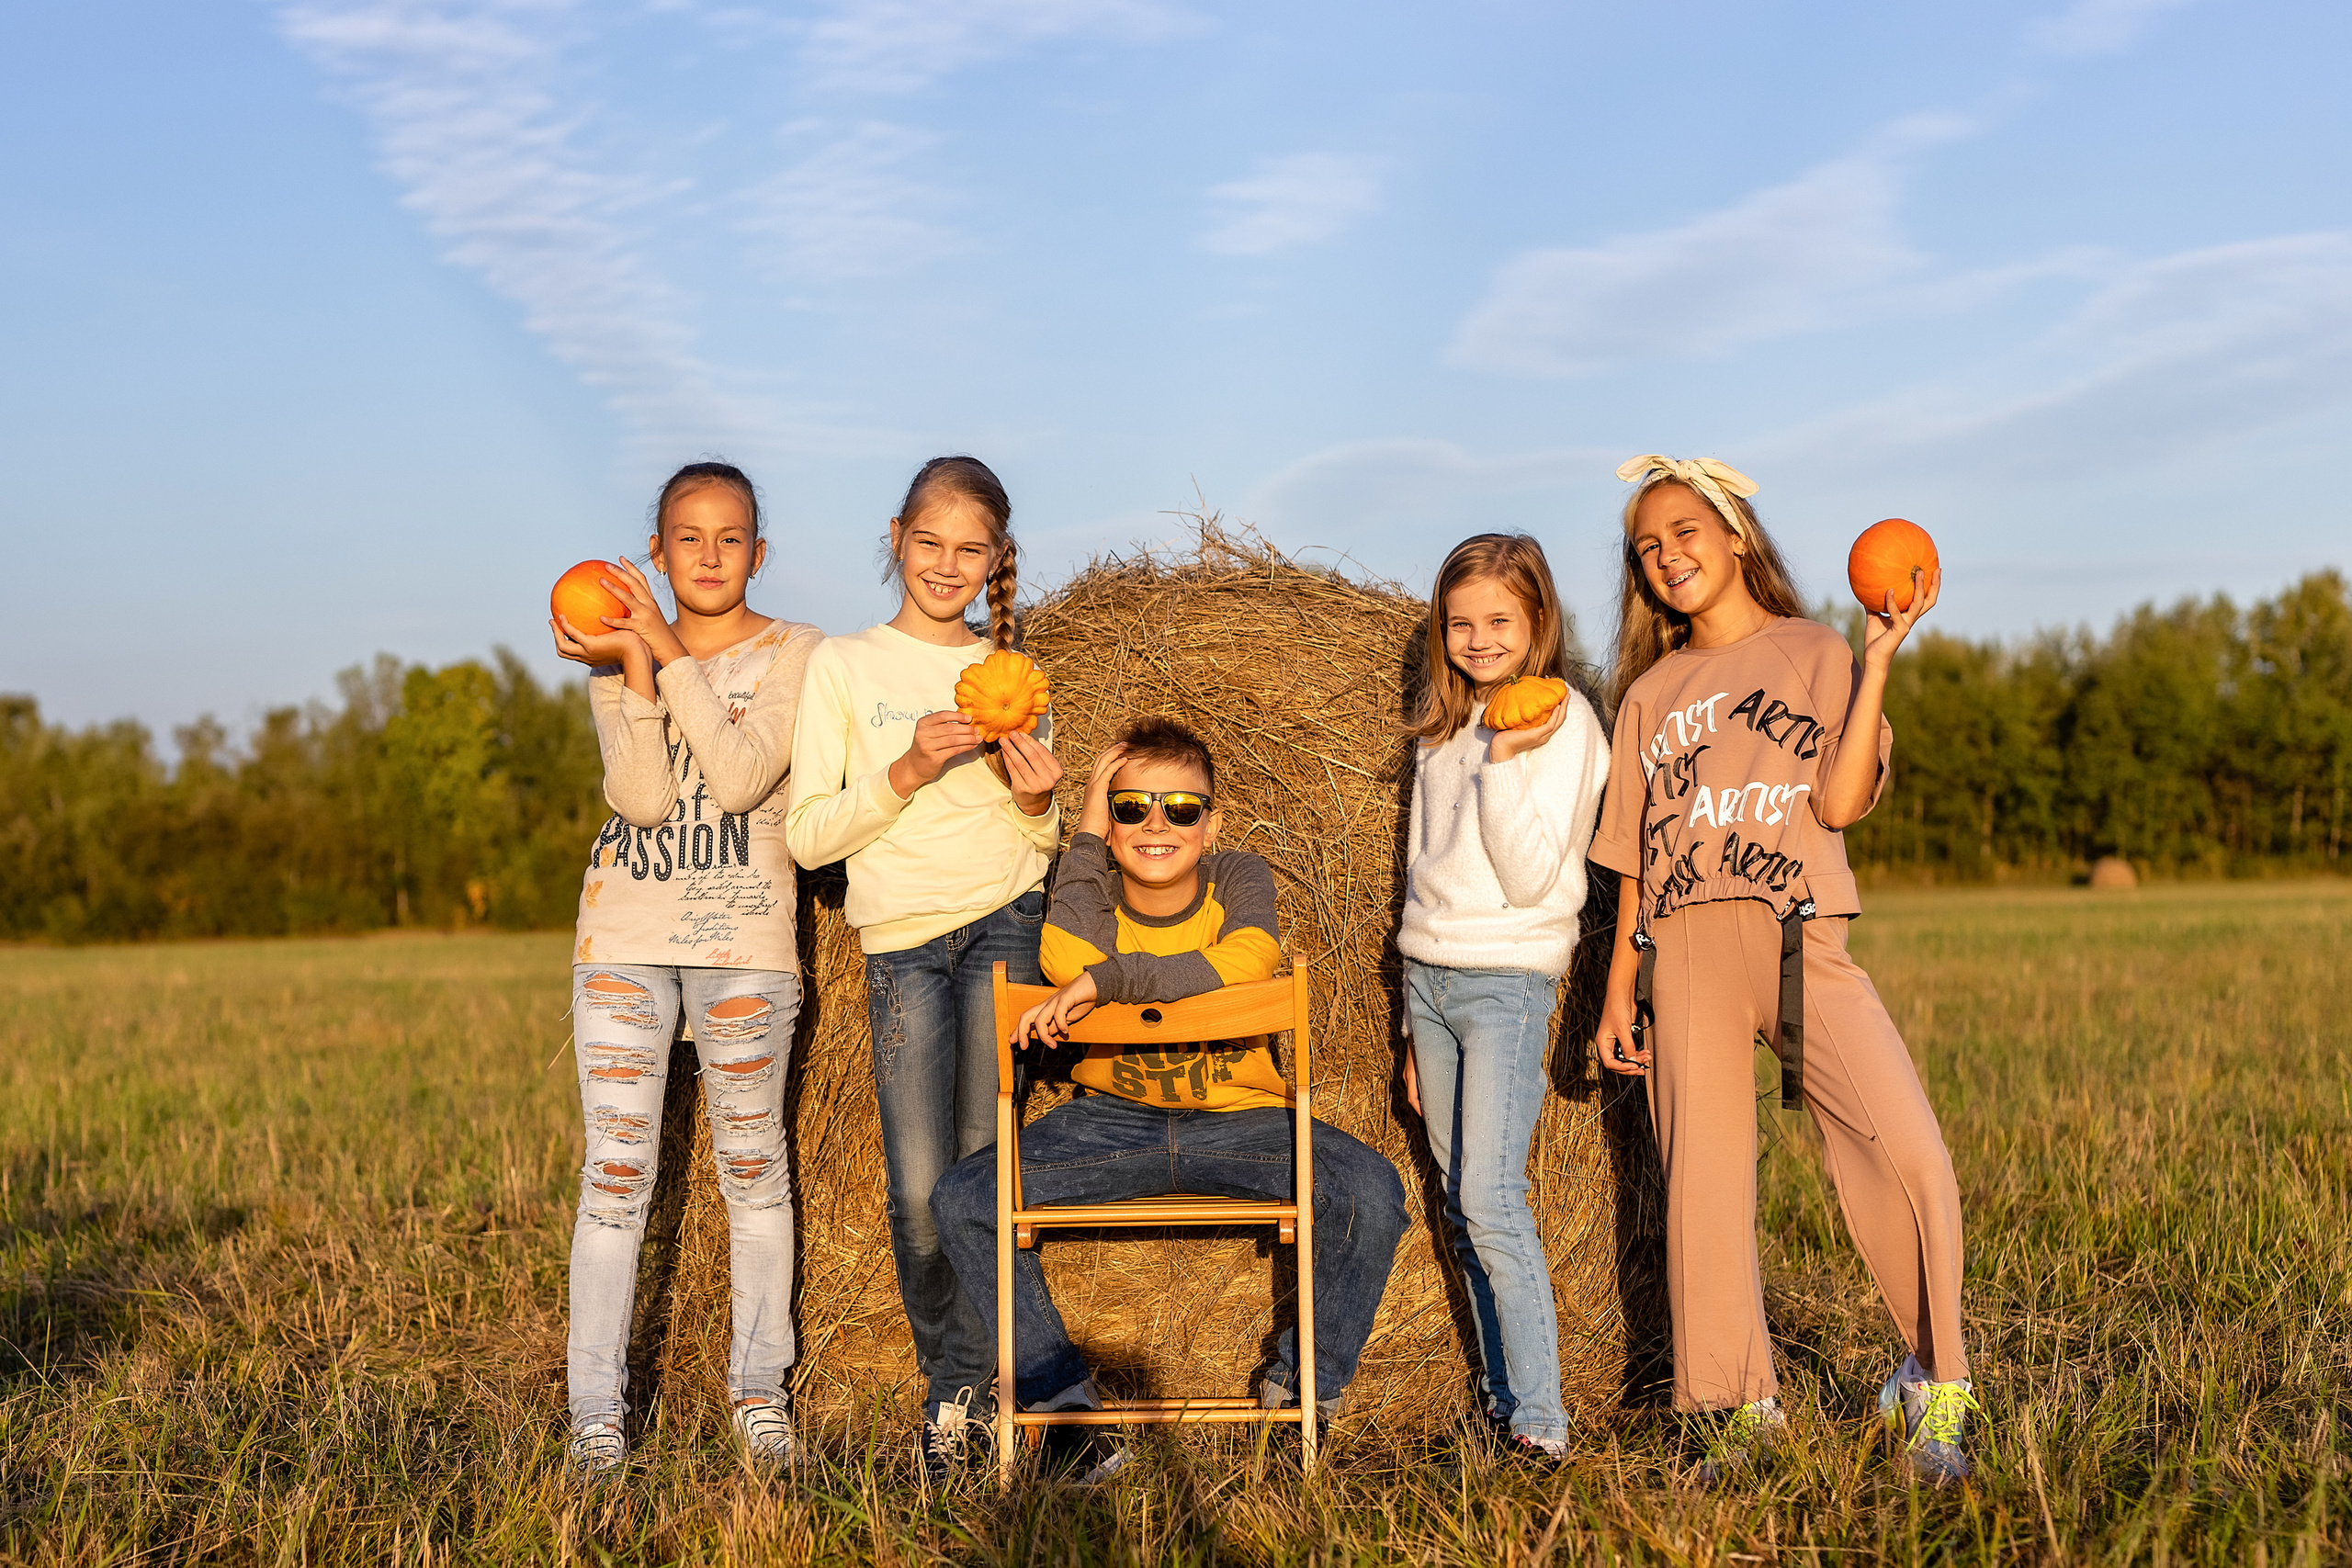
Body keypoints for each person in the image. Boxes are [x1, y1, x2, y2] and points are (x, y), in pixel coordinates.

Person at [1587, 455, 1974, 1485]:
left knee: (1908, 1154)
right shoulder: (1648, 696)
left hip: (1800, 934)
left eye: (1682, 534)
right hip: (1683, 953)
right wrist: (1620, 988)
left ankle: (1933, 1386)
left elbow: (1841, 805)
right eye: (1646, 549)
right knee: (1702, 1190)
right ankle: (1735, 1414)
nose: (1666, 557)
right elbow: (1631, 857)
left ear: (1734, 535)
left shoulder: (1814, 650)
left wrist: (1878, 660)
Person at [931, 716, 1410, 1484]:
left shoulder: (1238, 877)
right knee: (963, 1196)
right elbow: (1062, 955)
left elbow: (1252, 957)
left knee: (1370, 1190)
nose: (1157, 824)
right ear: (1110, 824)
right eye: (1130, 808)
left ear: (1211, 822)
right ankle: (1067, 1415)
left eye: (1182, 809)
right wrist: (1085, 821)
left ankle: (1299, 1397)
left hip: (1240, 1120)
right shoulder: (1091, 892)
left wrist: (1109, 983)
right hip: (1108, 1123)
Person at [783, 456, 1063, 1482]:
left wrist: (1036, 802)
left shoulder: (1015, 676)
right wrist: (906, 769)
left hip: (1005, 928)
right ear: (898, 536)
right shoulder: (847, 669)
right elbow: (811, 835)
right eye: (930, 543)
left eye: (970, 549)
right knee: (916, 1190)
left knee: (987, 1180)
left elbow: (1042, 842)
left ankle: (987, 1399)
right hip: (902, 941)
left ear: (996, 558)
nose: (947, 565)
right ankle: (949, 1386)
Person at [548, 461, 822, 1479]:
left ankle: (760, 1398)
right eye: (687, 538)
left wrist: (662, 653)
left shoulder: (800, 654)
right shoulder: (616, 661)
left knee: (754, 1175)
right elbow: (646, 801)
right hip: (622, 938)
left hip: (744, 944)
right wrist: (632, 667)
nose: (709, 556)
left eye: (730, 536)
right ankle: (594, 1414)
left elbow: (749, 777)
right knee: (615, 1178)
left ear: (759, 550)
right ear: (654, 554)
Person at [1396, 534, 1611, 1467]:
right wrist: (1408, 1022)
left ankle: (1542, 1420)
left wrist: (1503, 761)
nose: (1477, 640)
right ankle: (1497, 1400)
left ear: (1536, 626)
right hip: (1429, 983)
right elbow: (1419, 870)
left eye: (1498, 622)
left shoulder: (1565, 728)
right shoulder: (1443, 726)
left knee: (1491, 1197)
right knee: (1456, 1201)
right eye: (1460, 623)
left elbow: (1529, 878)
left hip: (1506, 984)